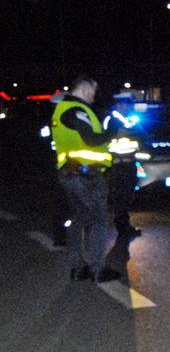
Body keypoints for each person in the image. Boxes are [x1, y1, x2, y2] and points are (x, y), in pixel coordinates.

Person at [51, 74, 122, 282]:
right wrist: (112, 130)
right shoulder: (76, 110)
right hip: (87, 175)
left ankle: (77, 268)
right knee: (99, 220)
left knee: (79, 219)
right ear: (83, 90)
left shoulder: (62, 110)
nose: (93, 97)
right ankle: (98, 269)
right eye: (92, 92)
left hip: (70, 173)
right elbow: (91, 139)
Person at [105, 93, 142, 238]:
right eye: (126, 104)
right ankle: (122, 226)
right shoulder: (112, 120)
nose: (129, 107)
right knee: (121, 196)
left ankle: (125, 225)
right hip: (118, 164)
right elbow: (108, 139)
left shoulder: (130, 120)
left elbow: (140, 137)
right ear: (119, 105)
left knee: (128, 197)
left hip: (129, 162)